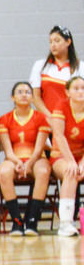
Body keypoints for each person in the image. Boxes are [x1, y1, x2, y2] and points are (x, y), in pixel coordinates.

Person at [0, 82, 52, 236]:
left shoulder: (41, 118)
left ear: (32, 97)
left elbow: (40, 148)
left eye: (28, 92)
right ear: (12, 97)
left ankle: (32, 221)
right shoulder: (4, 119)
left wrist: (29, 163)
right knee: (3, 172)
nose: (24, 95)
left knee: (43, 171)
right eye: (19, 92)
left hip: (36, 158)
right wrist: (18, 162)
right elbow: (8, 150)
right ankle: (17, 221)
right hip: (14, 158)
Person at [49, 76, 84, 238]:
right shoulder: (62, 106)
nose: (81, 92)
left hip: (81, 157)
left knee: (76, 170)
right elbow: (59, 135)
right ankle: (65, 223)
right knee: (71, 173)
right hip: (61, 155)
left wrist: (82, 163)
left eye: (83, 88)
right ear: (68, 92)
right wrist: (71, 161)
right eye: (76, 88)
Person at [29, 25, 82, 121]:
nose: (53, 45)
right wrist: (51, 118)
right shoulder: (40, 65)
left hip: (71, 121)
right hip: (46, 120)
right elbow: (35, 96)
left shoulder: (80, 67)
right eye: (50, 41)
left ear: (68, 42)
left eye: (57, 41)